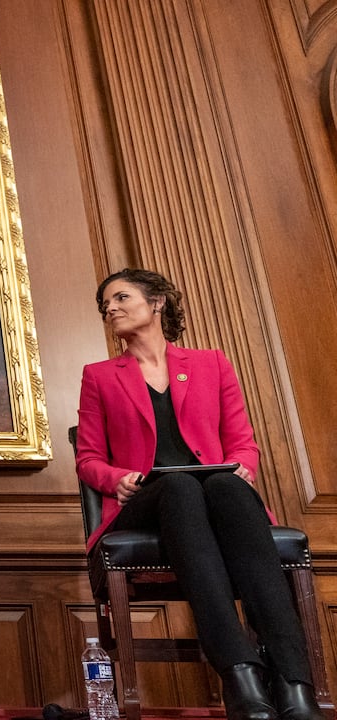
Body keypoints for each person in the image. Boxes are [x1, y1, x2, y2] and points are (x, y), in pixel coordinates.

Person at [75, 268, 325, 720]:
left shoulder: (211, 364)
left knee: (225, 486)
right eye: (105, 304)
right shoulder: (99, 377)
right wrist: (117, 479)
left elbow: (243, 443)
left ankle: (293, 684)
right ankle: (240, 673)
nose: (110, 308)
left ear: (157, 303)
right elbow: (88, 457)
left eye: (120, 297)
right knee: (177, 485)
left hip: (213, 496)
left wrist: (244, 468)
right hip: (147, 501)